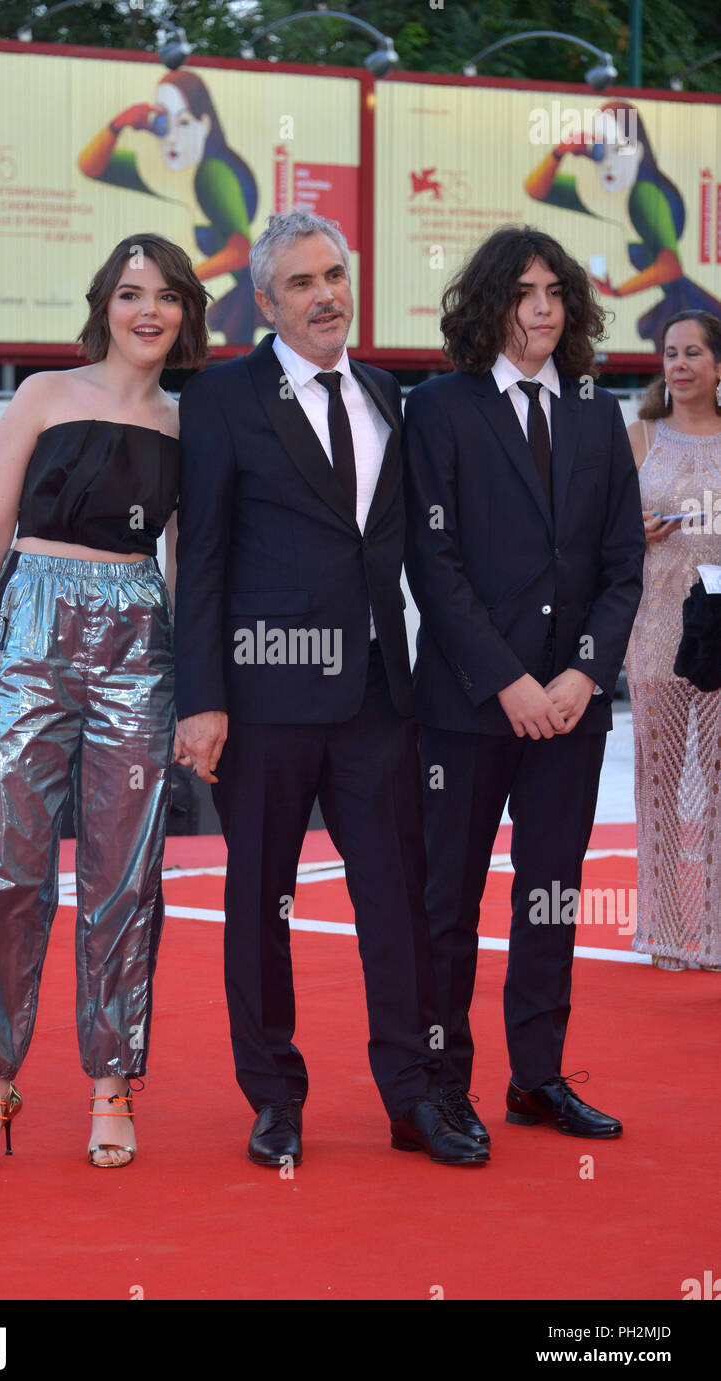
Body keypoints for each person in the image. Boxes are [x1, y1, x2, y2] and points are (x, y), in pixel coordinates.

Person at [173, 210, 486, 1168]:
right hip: (262, 701)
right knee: (260, 906)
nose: (327, 296)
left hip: (377, 701)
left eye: (337, 275)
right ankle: (274, 1100)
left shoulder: (390, 393)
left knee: (397, 906)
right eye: (304, 283)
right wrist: (200, 698)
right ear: (265, 302)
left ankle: (413, 1097)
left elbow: (412, 550)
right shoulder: (222, 397)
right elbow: (205, 558)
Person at [0, 233, 209, 1171]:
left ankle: (112, 1084)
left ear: (184, 313)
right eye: (131, 293)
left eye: (165, 296)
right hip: (31, 632)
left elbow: (184, 564)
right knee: (9, 873)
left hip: (140, 645)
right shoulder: (43, 395)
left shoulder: (185, 424)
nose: (147, 311)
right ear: (105, 303)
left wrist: (202, 690)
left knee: (126, 880)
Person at [403, 225, 645, 1144]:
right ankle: (442, 1084)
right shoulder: (439, 408)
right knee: (447, 904)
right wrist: (506, 680)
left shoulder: (594, 411)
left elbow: (623, 564)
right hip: (468, 708)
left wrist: (585, 674)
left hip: (573, 710)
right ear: (490, 303)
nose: (540, 310)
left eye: (554, 294)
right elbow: (434, 561)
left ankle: (537, 1078)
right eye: (522, 294)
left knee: (551, 895)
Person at [625, 309, 721, 971]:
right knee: (658, 782)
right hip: (654, 625)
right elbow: (601, 536)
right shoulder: (638, 436)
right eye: (670, 353)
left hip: (719, 628)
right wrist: (637, 531)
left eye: (693, 352)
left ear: (719, 365)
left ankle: (715, 932)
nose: (679, 364)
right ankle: (663, 931)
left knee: (718, 781)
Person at [78, 69, 264, 343]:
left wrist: (177, 282)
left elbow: (240, 250)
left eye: (185, 123)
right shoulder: (167, 169)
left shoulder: (213, 172)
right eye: (164, 123)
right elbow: (91, 167)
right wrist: (117, 125)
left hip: (248, 296)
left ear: (205, 124)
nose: (173, 137)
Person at [525, 100, 721, 351]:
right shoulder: (604, 190)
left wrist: (617, 291)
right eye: (601, 149)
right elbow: (537, 190)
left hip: (686, 307)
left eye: (618, 149)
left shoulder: (645, 195)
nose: (607, 161)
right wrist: (559, 152)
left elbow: (671, 266)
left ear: (638, 152)